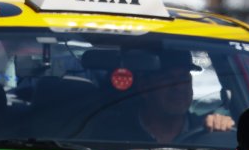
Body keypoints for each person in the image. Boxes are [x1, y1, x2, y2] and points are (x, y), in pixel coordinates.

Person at [89, 50, 233, 142]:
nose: (179, 87)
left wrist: (222, 127)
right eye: (167, 79)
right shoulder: (113, 135)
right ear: (144, 87)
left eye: (184, 78)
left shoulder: (207, 131)